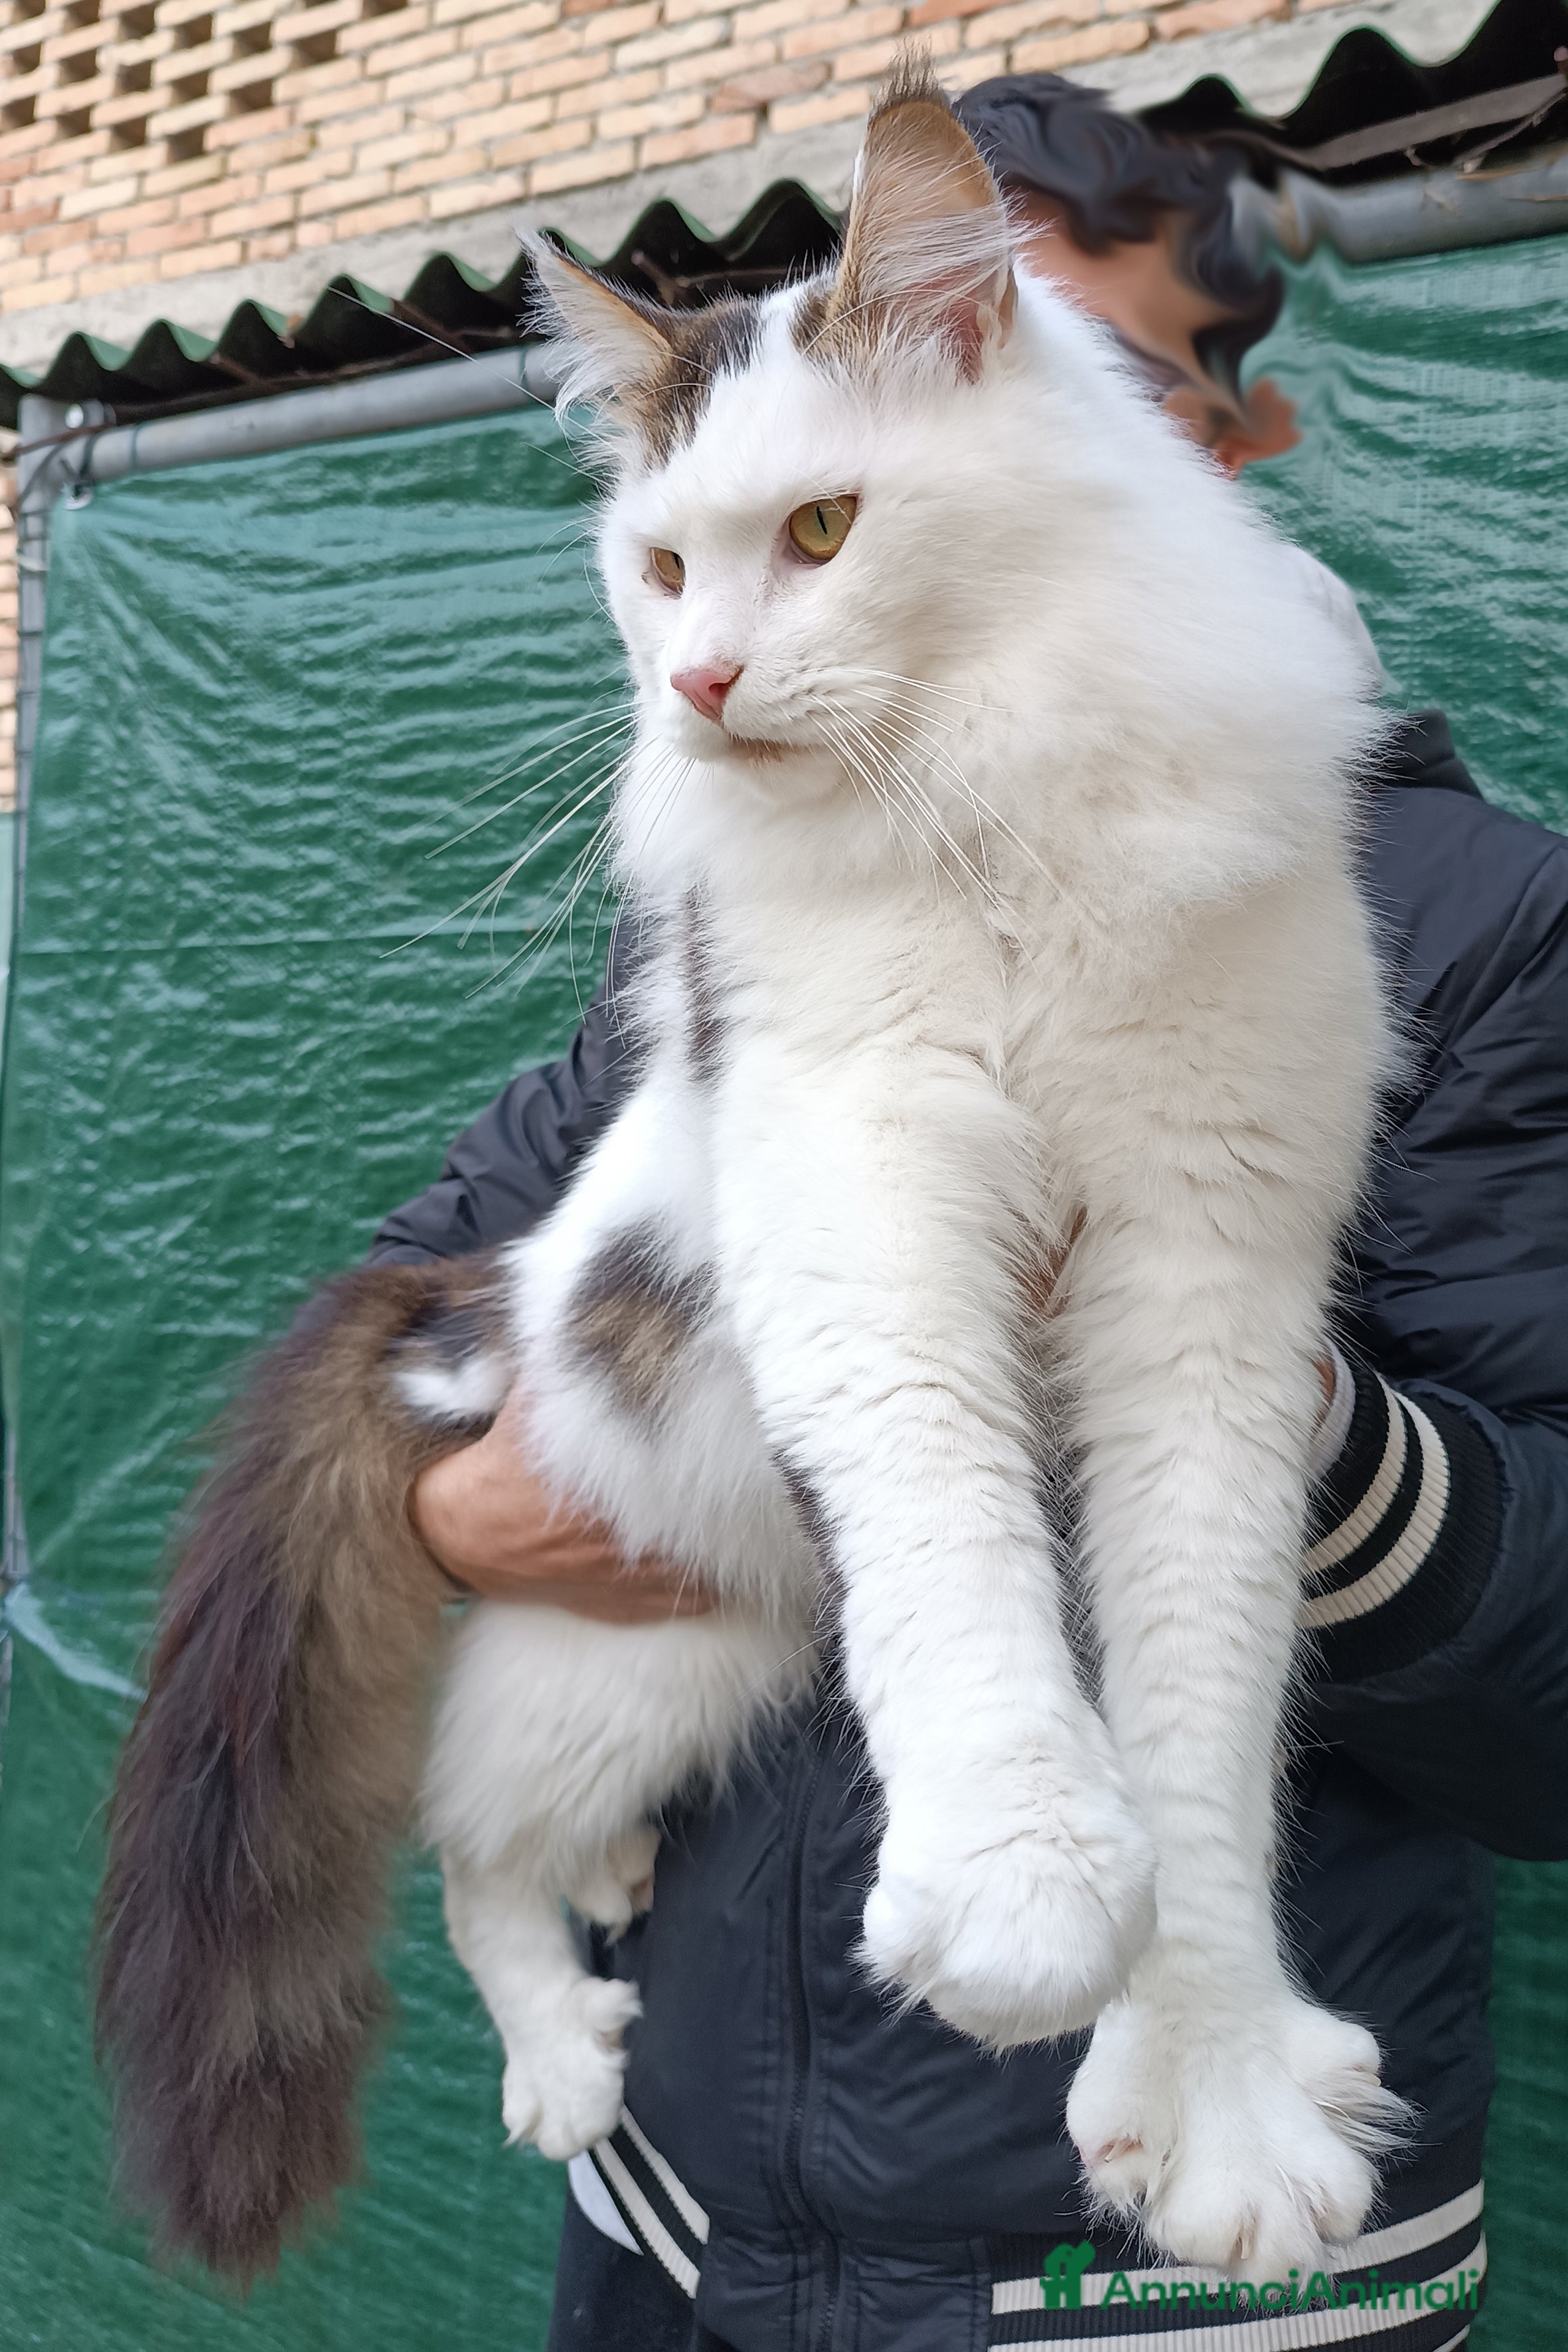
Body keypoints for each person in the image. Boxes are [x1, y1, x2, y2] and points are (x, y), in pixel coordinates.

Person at [374, 78, 1568, 2352]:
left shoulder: (1486, 919)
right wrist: (457, 1510)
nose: (702, 654)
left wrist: (1264, 1409)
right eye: (665, 567)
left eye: (1077, 345)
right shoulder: (755, 869)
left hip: (1176, 2278)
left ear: (1218, 417)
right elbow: (424, 1288)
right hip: (687, 2210)